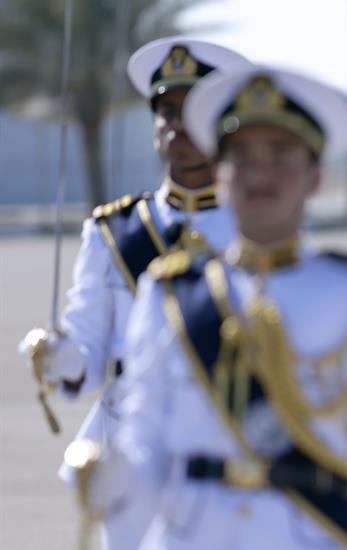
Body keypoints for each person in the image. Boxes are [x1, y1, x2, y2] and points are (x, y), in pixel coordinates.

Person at [67, 64, 347, 550]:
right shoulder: (170, 294)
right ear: (221, 173)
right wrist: (112, 478)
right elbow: (145, 448)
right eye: (241, 155)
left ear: (316, 178)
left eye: (281, 154)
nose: (260, 173)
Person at [18, 37, 246, 550]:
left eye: (191, 111)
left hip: (227, 444)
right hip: (130, 446)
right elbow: (89, 355)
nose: (176, 124)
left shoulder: (254, 227)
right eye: (166, 110)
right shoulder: (112, 230)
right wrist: (58, 356)